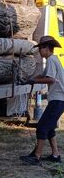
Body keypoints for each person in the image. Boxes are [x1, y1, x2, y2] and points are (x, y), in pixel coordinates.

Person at [20, 35, 64, 165]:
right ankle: (55, 155)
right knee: (49, 127)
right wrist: (29, 79)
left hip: (58, 100)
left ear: (46, 48)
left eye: (40, 48)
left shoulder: (51, 60)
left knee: (42, 126)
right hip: (58, 100)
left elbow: (50, 79)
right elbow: (43, 75)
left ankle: (36, 156)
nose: (39, 51)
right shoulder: (53, 59)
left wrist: (34, 80)